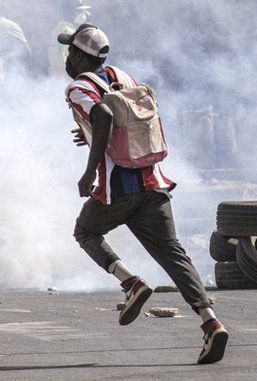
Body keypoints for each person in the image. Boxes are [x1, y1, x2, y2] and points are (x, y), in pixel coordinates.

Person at [61, 24, 229, 364]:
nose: (67, 56)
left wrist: (90, 170)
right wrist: (92, 134)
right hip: (153, 183)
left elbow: (105, 115)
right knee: (173, 254)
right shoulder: (124, 75)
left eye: (71, 51)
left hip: (118, 189)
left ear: (81, 55)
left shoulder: (78, 87)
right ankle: (211, 323)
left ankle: (131, 283)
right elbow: (127, 120)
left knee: (86, 232)